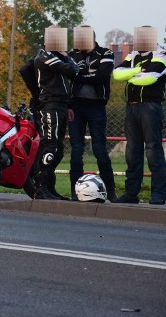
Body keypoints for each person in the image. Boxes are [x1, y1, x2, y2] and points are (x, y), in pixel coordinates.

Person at [112, 26, 166, 205]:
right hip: (131, 107)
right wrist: (137, 72)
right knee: (132, 152)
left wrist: (130, 74)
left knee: (153, 151)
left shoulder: (163, 55)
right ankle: (131, 193)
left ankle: (159, 194)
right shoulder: (133, 55)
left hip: (150, 107)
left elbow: (149, 78)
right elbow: (117, 74)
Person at [67, 26, 117, 202]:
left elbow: (102, 77)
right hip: (75, 107)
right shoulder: (71, 54)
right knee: (76, 150)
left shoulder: (106, 53)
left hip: (96, 107)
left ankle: (110, 191)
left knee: (99, 149)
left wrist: (80, 75)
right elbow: (69, 75)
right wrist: (87, 75)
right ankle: (75, 192)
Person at [30, 26, 80, 200]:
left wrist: (68, 106)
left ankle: (49, 188)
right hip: (49, 105)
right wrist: (67, 57)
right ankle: (40, 187)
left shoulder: (54, 57)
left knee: (57, 149)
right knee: (50, 146)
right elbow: (73, 71)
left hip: (60, 104)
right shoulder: (44, 57)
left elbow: (72, 73)